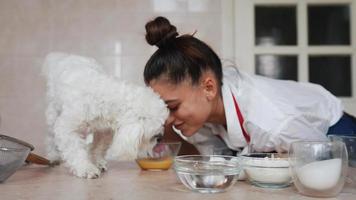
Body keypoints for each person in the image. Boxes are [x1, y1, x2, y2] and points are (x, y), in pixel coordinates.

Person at [143, 16, 356, 155]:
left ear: (209, 88)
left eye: (172, 107)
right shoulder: (199, 116)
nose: (167, 119)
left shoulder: (272, 120)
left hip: (332, 129)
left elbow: (322, 159)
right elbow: (220, 162)